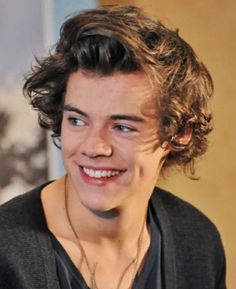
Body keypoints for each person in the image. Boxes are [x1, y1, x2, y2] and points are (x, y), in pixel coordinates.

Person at [0, 5, 226, 289]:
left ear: (179, 133)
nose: (94, 147)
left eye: (122, 127)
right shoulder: (6, 251)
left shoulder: (197, 242)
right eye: (77, 120)